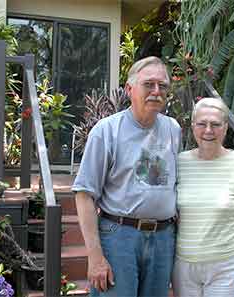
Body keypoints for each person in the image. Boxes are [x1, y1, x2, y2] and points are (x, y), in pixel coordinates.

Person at [72, 56, 181, 297]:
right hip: (119, 237)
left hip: (163, 238)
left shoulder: (173, 129)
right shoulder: (106, 131)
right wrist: (95, 256)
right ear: (129, 89)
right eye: (148, 84)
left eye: (162, 86)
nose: (156, 91)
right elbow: (84, 195)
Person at [172, 97, 234, 297]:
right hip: (184, 267)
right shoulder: (179, 162)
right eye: (202, 124)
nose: (208, 131)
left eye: (215, 124)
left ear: (226, 127)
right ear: (193, 125)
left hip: (228, 266)